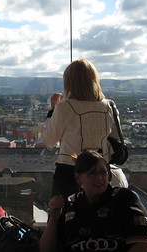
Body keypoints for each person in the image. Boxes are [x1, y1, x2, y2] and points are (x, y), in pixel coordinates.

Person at [39, 150, 147, 252]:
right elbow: (46, 249)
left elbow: (145, 244)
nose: (99, 178)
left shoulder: (123, 198)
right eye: (92, 174)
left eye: (103, 172)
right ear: (79, 179)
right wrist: (54, 218)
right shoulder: (70, 205)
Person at [42, 59, 124, 198]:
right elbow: (115, 140)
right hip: (100, 171)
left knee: (65, 215)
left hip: (68, 170)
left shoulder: (64, 107)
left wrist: (53, 111)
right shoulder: (108, 106)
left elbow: (49, 140)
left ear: (69, 82)